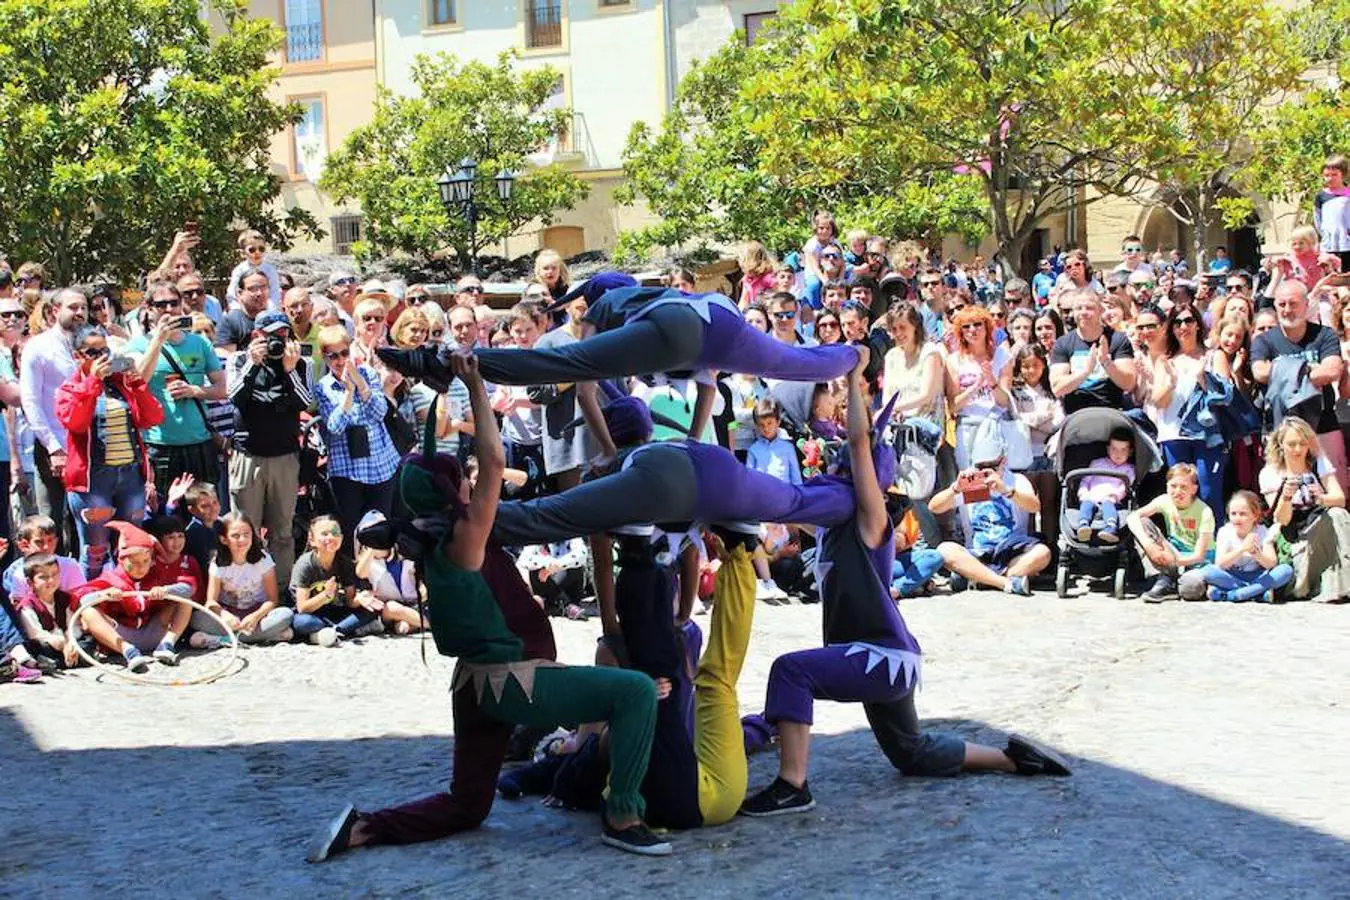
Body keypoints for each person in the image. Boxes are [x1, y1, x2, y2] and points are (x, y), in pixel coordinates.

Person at [307, 349, 670, 860]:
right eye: (461, 477)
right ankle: (625, 815)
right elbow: (497, 460)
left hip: (473, 684)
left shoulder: (430, 536)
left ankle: (364, 828)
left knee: (468, 805)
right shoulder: (463, 537)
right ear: (449, 489)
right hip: (510, 683)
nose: (472, 481)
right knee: (633, 693)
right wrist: (475, 384)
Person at [741, 351, 1068, 816]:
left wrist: (853, 378)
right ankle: (1013, 759)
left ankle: (793, 785)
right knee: (911, 752)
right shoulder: (834, 526)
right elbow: (794, 505)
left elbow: (857, 446)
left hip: (879, 656)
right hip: (886, 657)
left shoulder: (870, 521)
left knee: (791, 671)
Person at [383, 283, 860, 411]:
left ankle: (441, 359)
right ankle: (856, 354)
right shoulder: (635, 296)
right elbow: (709, 389)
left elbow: (582, 368)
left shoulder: (609, 298)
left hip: (687, 331)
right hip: (714, 335)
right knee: (800, 363)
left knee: (562, 359)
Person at [55, 324, 164, 578]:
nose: (100, 357)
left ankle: (125, 605)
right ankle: (90, 607)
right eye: (92, 353)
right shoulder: (70, 389)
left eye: (104, 350)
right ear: (77, 356)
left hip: (130, 477)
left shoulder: (120, 385)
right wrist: (92, 381)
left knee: (130, 547)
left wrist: (137, 384)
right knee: (96, 549)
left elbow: (152, 417)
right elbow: (76, 422)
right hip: (93, 481)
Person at [226, 309, 310, 588]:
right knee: (244, 531)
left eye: (284, 335)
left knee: (283, 531)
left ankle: (283, 589)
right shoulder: (239, 360)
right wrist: (252, 363)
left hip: (284, 457)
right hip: (247, 455)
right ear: (256, 335)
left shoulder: (299, 362)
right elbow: (234, 398)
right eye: (272, 336)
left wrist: (289, 370)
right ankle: (248, 587)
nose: (278, 341)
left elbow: (304, 401)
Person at [126, 281, 228, 506]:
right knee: (166, 516)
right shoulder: (137, 345)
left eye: (174, 303)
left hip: (199, 441)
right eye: (161, 304)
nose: (169, 309)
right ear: (149, 308)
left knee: (206, 513)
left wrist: (194, 390)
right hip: (160, 444)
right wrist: (159, 339)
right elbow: (139, 379)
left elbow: (222, 389)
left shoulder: (199, 343)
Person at [1250, 280, 1347, 495]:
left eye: (1293, 304)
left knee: (1336, 492)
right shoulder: (1264, 341)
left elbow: (1331, 371)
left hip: (1323, 425)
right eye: (1282, 304)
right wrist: (1308, 369)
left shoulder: (1324, 335)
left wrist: (1281, 369)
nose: (1287, 310)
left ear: (1306, 304)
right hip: (1280, 430)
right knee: (1286, 495)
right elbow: (1260, 373)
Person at [929, 431, 1050, 596]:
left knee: (1043, 553)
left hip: (1012, 549)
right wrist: (954, 489)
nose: (985, 472)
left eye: (991, 467)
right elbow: (934, 507)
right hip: (978, 551)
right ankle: (1005, 582)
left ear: (1003, 461)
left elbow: (1034, 506)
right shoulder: (970, 483)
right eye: (980, 467)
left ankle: (978, 577)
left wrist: (1007, 491)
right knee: (945, 550)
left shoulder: (1016, 480)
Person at [70, 521, 194, 672]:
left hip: (153, 632)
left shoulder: (156, 575)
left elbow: (187, 589)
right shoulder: (110, 578)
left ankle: (167, 644)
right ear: (122, 560)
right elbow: (82, 599)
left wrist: (165, 590)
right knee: (88, 612)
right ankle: (128, 651)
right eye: (134, 563)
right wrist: (104, 594)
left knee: (183, 600)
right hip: (120, 636)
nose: (141, 567)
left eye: (145, 562)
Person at [314, 326, 401, 540]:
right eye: (333, 356)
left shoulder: (368, 374)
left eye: (344, 353)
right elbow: (334, 427)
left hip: (380, 464)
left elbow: (380, 411)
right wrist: (348, 393)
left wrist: (359, 383)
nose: (340, 360)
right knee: (352, 529)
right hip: (346, 468)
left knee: (381, 527)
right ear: (324, 358)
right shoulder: (323, 387)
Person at [1147, 302, 1232, 518]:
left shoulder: (1214, 356)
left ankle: (1213, 547)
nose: (1182, 326)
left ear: (1198, 324)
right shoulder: (1165, 361)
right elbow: (1159, 402)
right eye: (1177, 322)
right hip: (1174, 435)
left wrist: (1203, 377)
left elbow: (1225, 397)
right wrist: (1171, 382)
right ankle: (1184, 545)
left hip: (1209, 435)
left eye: (1188, 320)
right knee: (1180, 495)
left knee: (1208, 492)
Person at [1257, 416, 1350, 603]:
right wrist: (1286, 497)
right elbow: (1281, 520)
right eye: (1291, 444)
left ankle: (1341, 583)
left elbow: (1339, 499)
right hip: (1294, 533)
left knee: (1339, 514)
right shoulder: (1271, 473)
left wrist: (1320, 498)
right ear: (1280, 444)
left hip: (1320, 522)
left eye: (1302, 443)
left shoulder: (1318, 464)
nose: (1298, 450)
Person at [20, 287, 86, 548]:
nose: (79, 313)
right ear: (55, 311)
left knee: (86, 521)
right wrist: (53, 447)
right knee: (51, 523)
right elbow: (31, 401)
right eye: (73, 307)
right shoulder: (38, 347)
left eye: (83, 307)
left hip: (88, 445)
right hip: (54, 446)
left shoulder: (93, 343)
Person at [195, 511, 294, 645]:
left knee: (285, 615)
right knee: (196, 618)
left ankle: (225, 639)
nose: (242, 540)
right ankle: (262, 636)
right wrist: (224, 615)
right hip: (230, 614)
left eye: (246, 534)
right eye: (236, 536)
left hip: (257, 612)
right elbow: (211, 602)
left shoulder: (263, 560)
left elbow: (272, 600)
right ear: (224, 539)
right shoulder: (218, 563)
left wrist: (255, 616)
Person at [1125, 463, 1215, 603]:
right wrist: (1149, 545)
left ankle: (1170, 580)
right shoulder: (1164, 500)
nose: (1177, 491)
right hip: (1174, 552)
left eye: (1183, 487)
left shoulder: (1204, 512)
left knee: (1190, 590)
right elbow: (1132, 517)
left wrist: (1174, 562)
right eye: (1173, 486)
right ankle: (1167, 578)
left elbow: (1199, 555)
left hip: (1197, 562)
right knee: (1142, 522)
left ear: (1194, 489)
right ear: (1167, 486)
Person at [1192, 491, 1293, 602]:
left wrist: (1257, 554)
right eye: (1233, 514)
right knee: (1207, 571)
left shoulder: (1262, 531)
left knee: (1285, 570)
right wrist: (1242, 549)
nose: (1237, 518)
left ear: (1254, 516)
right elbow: (1220, 564)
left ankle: (1233, 595)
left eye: (1243, 514)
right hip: (1232, 576)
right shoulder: (1225, 531)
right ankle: (1257, 593)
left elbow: (1271, 563)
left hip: (1257, 575)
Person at [290, 516, 375, 647]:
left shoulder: (345, 563)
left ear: (341, 538)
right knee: (302, 622)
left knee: (371, 610)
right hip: (312, 615)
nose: (330, 537)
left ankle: (332, 631)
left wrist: (361, 599)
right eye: (324, 534)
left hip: (335, 611)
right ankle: (340, 630)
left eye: (335, 533)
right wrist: (326, 595)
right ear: (312, 539)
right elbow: (302, 608)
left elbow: (350, 601)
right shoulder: (305, 565)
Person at [1050, 290, 1137, 415]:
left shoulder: (1118, 339)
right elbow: (1057, 388)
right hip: (1077, 414)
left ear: (1100, 311)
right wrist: (1085, 371)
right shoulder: (1063, 343)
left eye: (1089, 308)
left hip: (1112, 411)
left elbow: (1128, 383)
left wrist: (1106, 362)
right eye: (1079, 308)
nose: (1084, 312)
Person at [947, 306, 1012, 470]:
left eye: (977, 324)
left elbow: (1004, 401)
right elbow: (954, 406)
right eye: (966, 327)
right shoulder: (954, 360)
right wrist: (976, 385)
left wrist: (991, 380)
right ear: (960, 332)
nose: (972, 330)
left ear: (987, 327)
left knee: (994, 481)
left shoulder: (1002, 356)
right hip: (967, 426)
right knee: (970, 482)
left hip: (995, 425)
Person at [12, 553, 81, 670]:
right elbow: (36, 633)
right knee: (38, 648)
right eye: (43, 577)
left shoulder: (64, 599)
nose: (51, 580)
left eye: (55, 574)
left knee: (85, 642)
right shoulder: (28, 605)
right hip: (48, 643)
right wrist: (61, 643)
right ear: (30, 582)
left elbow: (72, 624)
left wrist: (70, 642)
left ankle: (70, 657)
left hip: (67, 642)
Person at [1076, 428, 1135, 544]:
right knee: (1086, 502)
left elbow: (1125, 486)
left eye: (1123, 450)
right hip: (1092, 496)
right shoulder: (1097, 463)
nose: (1118, 454)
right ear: (1108, 449)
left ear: (1130, 452)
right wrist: (1083, 491)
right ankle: (1083, 526)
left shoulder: (1129, 469)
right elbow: (1085, 480)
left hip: (1111, 499)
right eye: (1114, 449)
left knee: (1108, 504)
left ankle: (1110, 528)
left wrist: (1116, 495)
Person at [225, 229, 282, 311]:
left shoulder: (270, 270)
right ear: (243, 252)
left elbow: (275, 294)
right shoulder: (239, 270)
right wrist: (237, 310)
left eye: (261, 249)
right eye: (252, 250)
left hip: (267, 310)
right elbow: (231, 294)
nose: (257, 252)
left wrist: (269, 311)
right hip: (244, 311)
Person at [1314, 153, 1350, 272]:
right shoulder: (1321, 196)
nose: (1330, 178)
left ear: (1343, 175)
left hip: (1347, 242)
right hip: (1329, 243)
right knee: (1331, 276)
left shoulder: (1348, 194)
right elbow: (1318, 219)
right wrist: (1324, 235)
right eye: (1327, 175)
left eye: (1334, 174)